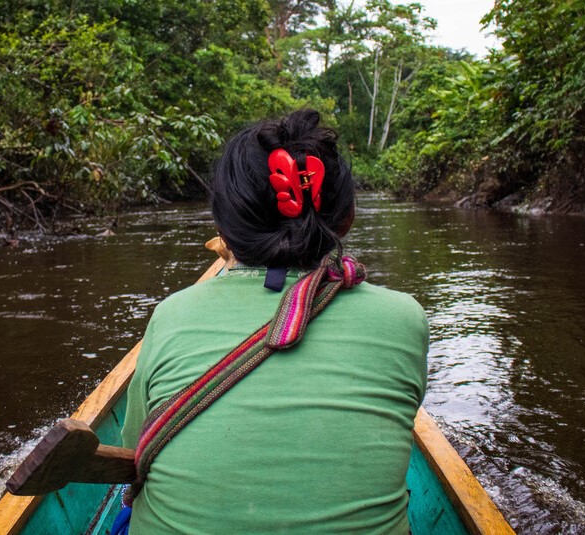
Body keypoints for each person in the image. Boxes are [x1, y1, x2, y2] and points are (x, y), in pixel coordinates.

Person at [121, 109, 428, 533]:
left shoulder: (171, 315)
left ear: (222, 228)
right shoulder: (404, 318)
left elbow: (132, 448)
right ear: (348, 217)